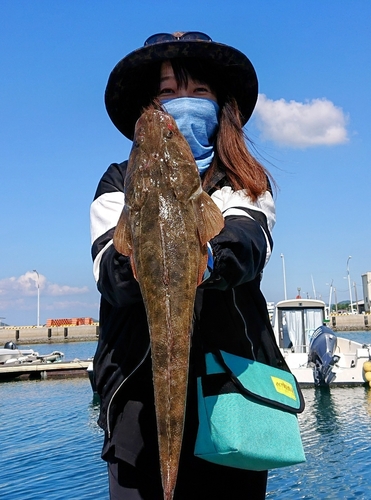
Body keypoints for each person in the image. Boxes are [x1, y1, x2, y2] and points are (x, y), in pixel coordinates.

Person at [90, 32, 290, 500]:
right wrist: (151, 249)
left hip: (234, 400)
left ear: (222, 106)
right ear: (149, 106)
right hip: (137, 406)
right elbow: (111, 274)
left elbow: (245, 245)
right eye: (167, 93)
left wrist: (201, 261)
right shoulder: (117, 183)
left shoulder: (245, 182)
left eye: (199, 92)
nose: (184, 105)